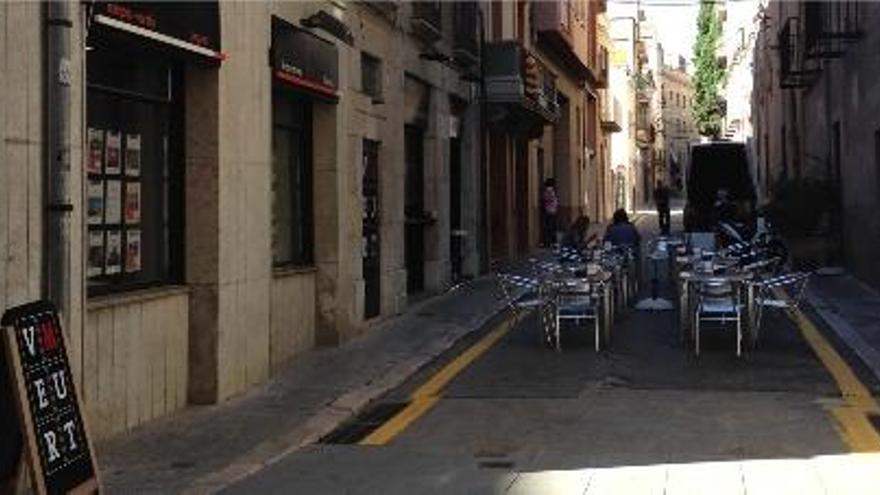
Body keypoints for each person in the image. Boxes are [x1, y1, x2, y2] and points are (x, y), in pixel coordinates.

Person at [541, 178, 559, 247]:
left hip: (549, 210)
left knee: (549, 227)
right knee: (551, 227)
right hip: (551, 210)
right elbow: (548, 199)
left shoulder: (548, 190)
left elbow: (546, 199)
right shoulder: (550, 190)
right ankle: (552, 242)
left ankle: (549, 242)